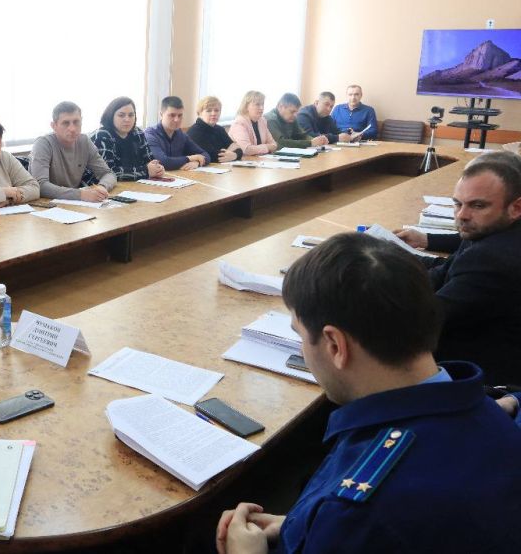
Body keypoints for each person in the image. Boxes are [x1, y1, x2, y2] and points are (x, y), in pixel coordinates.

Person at [215, 233, 521, 554]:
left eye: (301, 335)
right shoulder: (490, 413)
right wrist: (299, 524)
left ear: (335, 345)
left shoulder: (356, 512)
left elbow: (364, 520)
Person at [392, 151, 521, 385]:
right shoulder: (491, 232)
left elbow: (422, 321)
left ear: (516, 208)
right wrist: (391, 260)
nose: (462, 215)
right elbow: (444, 270)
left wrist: (368, 284)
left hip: (477, 378)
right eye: (457, 204)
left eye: (478, 205)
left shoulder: (492, 258)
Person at [28, 101, 117, 202]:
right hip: (45, 204)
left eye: (76, 122)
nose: (72, 128)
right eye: (65, 123)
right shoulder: (43, 143)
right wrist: (81, 194)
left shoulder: (84, 141)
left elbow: (108, 174)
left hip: (75, 203)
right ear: (54, 126)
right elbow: (40, 186)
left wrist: (102, 187)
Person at [89, 97, 165, 181]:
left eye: (131, 115)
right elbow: (108, 173)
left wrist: (157, 169)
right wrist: (146, 171)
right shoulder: (102, 135)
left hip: (132, 185)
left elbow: (150, 161)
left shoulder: (137, 133)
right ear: (111, 116)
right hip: (98, 186)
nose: (127, 119)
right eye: (121, 115)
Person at [144, 95, 210, 171]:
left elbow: (205, 154)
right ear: (161, 114)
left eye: (180, 115)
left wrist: (197, 162)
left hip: (178, 176)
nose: (176, 120)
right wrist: (190, 158)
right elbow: (163, 162)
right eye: (172, 115)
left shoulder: (181, 135)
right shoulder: (150, 134)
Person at [186, 96, 243, 164]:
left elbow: (238, 149)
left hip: (220, 167)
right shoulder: (194, 132)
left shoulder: (220, 129)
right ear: (200, 113)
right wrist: (231, 152)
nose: (213, 114)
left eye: (216, 110)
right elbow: (211, 156)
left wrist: (235, 155)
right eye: (209, 111)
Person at [265, 93, 330, 149]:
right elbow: (280, 143)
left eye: (296, 112)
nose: (295, 115)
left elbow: (302, 135)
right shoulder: (270, 119)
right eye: (292, 111)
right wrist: (310, 143)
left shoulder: (291, 118)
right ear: (280, 106)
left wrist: (317, 140)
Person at [228, 91, 278, 155]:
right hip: (243, 159)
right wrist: (267, 147)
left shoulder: (262, 121)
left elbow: (274, 145)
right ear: (246, 106)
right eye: (257, 104)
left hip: (259, 159)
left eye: (262, 104)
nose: (261, 108)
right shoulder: (239, 123)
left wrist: (259, 149)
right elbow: (246, 150)